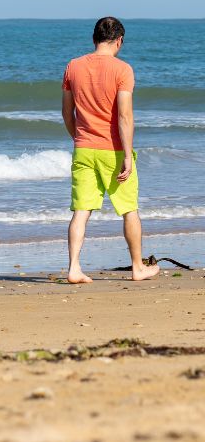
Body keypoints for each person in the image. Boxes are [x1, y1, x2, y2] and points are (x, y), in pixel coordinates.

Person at [62, 16, 160, 284]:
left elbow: (66, 113)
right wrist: (128, 155)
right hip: (114, 150)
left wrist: (79, 138)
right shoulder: (122, 70)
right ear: (119, 40)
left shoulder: (73, 66)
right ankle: (137, 267)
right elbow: (124, 116)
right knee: (129, 209)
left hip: (83, 148)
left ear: (94, 39)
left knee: (81, 210)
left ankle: (73, 268)